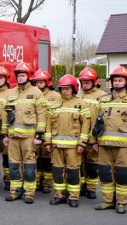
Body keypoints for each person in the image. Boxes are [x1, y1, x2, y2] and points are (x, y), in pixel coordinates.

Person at [94, 66, 127, 214]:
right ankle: (107, 201)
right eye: (114, 80)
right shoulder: (102, 100)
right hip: (103, 145)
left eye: (120, 80)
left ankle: (121, 203)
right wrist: (94, 142)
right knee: (105, 174)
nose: (116, 83)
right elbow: (96, 124)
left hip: (124, 147)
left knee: (122, 174)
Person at [45, 74, 90, 208]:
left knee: (73, 172)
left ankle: (73, 197)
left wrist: (82, 143)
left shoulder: (81, 104)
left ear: (74, 89)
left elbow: (86, 126)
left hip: (73, 147)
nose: (64, 91)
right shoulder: (54, 105)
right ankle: (59, 195)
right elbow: (48, 125)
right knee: (57, 172)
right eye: (62, 88)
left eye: (67, 88)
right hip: (57, 146)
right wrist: (48, 142)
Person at [3, 62, 46, 204]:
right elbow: (5, 116)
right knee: (13, 165)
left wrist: (39, 136)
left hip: (29, 137)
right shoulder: (10, 93)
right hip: (13, 137)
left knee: (29, 166)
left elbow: (41, 115)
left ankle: (29, 193)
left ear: (28, 76)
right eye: (18, 75)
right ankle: (15, 191)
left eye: (23, 75)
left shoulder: (36, 93)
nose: (20, 78)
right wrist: (4, 135)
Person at [77, 67, 107, 199]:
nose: (85, 84)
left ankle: (91, 188)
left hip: (93, 137)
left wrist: (99, 138)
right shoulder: (78, 95)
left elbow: (104, 119)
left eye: (87, 81)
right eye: (83, 81)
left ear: (94, 81)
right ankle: (81, 186)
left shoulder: (102, 96)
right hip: (79, 137)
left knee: (92, 165)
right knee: (79, 163)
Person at [31, 69, 61, 194]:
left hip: (49, 131)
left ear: (47, 82)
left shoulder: (56, 96)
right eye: (36, 82)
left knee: (47, 159)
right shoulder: (32, 94)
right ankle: (37, 182)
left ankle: (47, 184)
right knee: (36, 159)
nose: (38, 84)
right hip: (35, 131)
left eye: (41, 82)